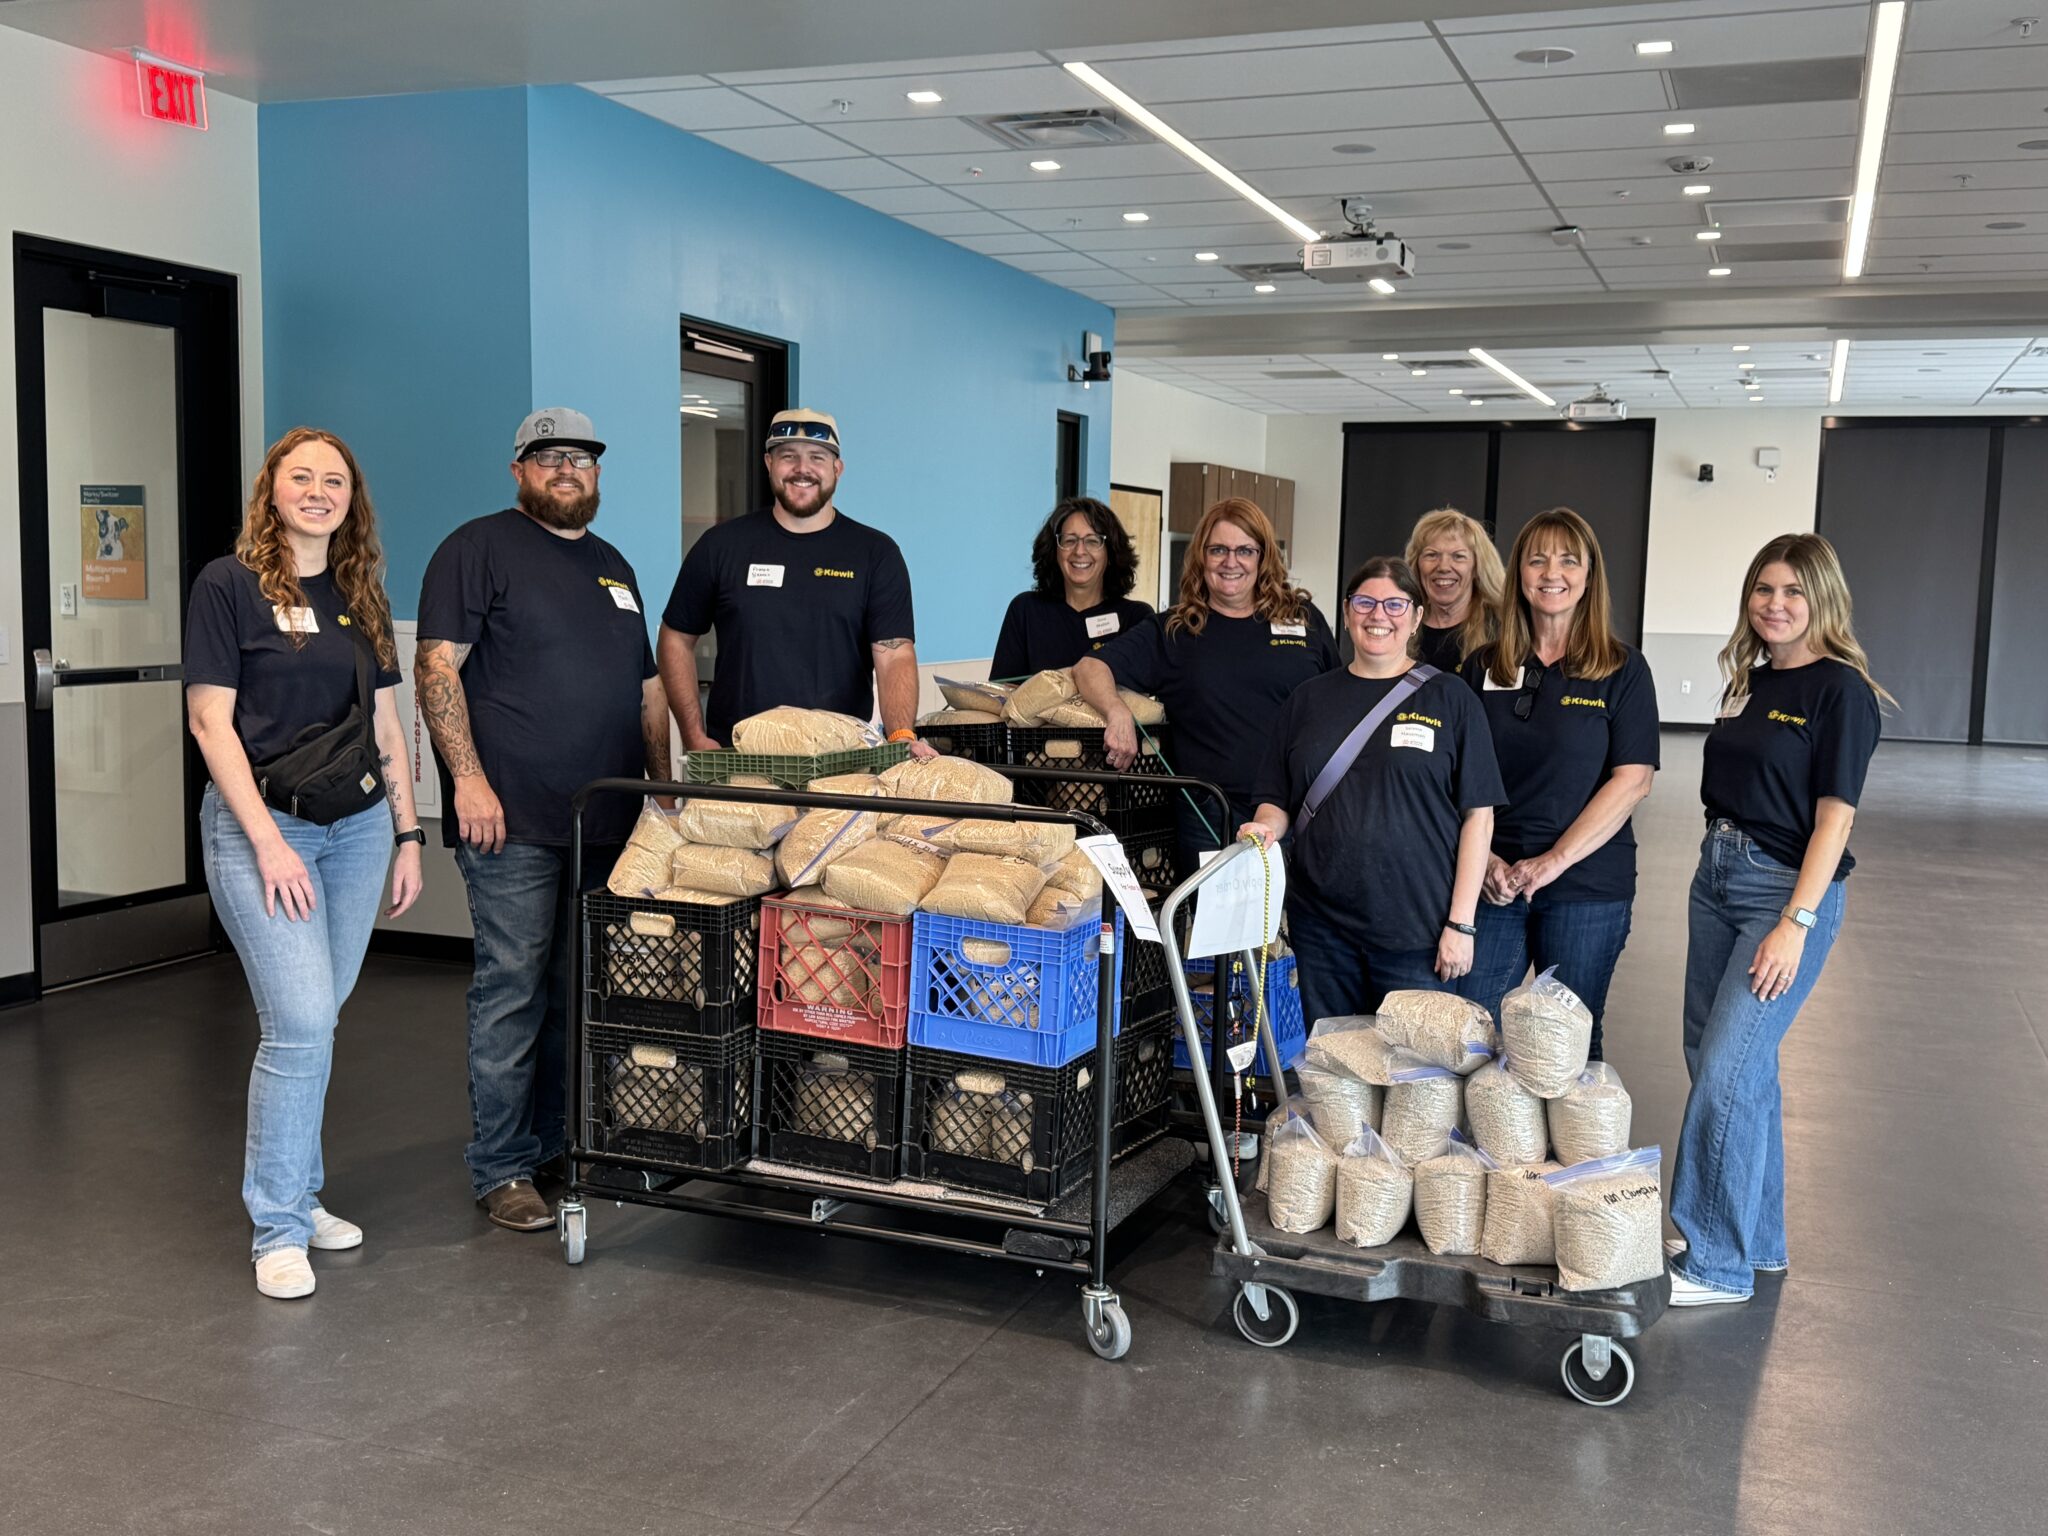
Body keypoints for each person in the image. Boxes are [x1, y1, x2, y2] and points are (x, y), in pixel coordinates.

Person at [415, 407, 670, 1234]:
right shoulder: (476, 548)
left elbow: (646, 691)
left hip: (604, 820)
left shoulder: (614, 565)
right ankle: (501, 1167)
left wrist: (662, 786)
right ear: (519, 469)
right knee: (511, 991)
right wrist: (467, 781)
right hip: (511, 820)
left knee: (581, 990)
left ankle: (565, 1146)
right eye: (550, 457)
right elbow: (436, 668)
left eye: (583, 459)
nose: (569, 470)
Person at [185, 428, 424, 1299]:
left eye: (335, 480)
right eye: (302, 478)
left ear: (350, 498)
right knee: (297, 1024)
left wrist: (406, 835)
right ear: (272, 491)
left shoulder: (361, 591)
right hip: (264, 830)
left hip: (358, 831)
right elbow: (211, 722)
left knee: (319, 1019)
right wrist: (269, 841)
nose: (318, 491)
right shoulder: (230, 586)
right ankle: (278, 1228)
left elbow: (389, 728)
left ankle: (303, 1192)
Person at [1666, 533, 1887, 1307]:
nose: (1775, 604)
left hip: (1783, 891)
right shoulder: (1750, 681)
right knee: (1728, 1065)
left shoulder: (1842, 692)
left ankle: (1712, 1261)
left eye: (1793, 591)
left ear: (1822, 598)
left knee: (1726, 1070)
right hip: (1717, 876)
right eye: (1763, 589)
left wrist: (1796, 920)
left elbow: (1836, 821)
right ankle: (1756, 1242)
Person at [1239, 557, 1503, 1025]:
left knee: (1415, 1085)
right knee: (1336, 1073)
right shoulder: (1309, 699)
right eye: (1365, 602)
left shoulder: (1451, 698)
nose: (1378, 615)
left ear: (1417, 617)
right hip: (1322, 929)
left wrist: (1461, 924)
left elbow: (1478, 816)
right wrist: (1264, 828)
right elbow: (1278, 799)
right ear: (1346, 613)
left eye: (1394, 604)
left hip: (1416, 930)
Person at [1457, 508, 1659, 1059]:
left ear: (1589, 576)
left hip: (1585, 886)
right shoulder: (1480, 668)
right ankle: (1481, 1148)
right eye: (1537, 558)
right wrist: (1491, 863)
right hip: (1493, 881)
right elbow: (1456, 777)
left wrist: (1553, 862)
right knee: (1469, 1030)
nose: (1552, 572)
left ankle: (1572, 1150)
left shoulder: (1621, 669)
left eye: (1569, 560)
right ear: (1518, 572)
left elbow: (1633, 780)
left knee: (1566, 1043)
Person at [1074, 497, 1338, 866]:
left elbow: (1338, 698)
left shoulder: (1303, 619)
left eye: (1245, 550)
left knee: (1299, 921)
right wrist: (1117, 712)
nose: (1231, 562)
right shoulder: (1175, 630)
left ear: (1263, 557)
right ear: (1202, 557)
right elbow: (1090, 668)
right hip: (1211, 813)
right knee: (1213, 923)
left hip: (1300, 808)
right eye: (1219, 550)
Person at [657, 409, 932, 757]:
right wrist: (693, 734)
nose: (803, 469)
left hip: (839, 766)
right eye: (789, 456)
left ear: (837, 469)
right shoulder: (721, 545)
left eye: (817, 457)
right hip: (738, 763)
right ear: (769, 463)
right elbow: (675, 637)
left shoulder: (875, 553)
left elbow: (893, 655)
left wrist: (901, 735)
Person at [990, 497, 1153, 679]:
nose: (1079, 551)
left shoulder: (1136, 619)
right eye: (1069, 541)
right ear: (1055, 551)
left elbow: (1143, 697)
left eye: (1092, 541)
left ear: (1111, 553)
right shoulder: (1026, 610)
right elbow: (1003, 691)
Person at [1407, 507, 1505, 673]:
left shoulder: (1502, 628)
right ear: (1416, 565)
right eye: (1432, 555)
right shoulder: (1400, 623)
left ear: (1477, 567)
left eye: (1458, 556)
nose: (1443, 567)